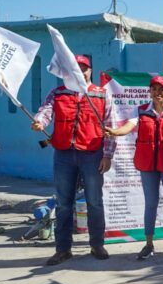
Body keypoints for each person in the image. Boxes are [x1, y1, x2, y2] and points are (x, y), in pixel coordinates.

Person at [31, 55, 116, 265]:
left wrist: (107, 155)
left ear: (90, 71)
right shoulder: (57, 93)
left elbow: (110, 126)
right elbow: (45, 112)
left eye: (84, 68)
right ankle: (63, 249)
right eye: (76, 67)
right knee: (63, 203)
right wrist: (39, 122)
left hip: (92, 154)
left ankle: (97, 244)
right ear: (68, 71)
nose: (80, 71)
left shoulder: (102, 94)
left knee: (94, 202)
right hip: (64, 155)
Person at [104, 76, 163, 259]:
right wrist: (114, 132)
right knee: (150, 203)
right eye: (154, 89)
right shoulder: (141, 111)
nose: (158, 93)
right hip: (148, 165)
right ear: (149, 92)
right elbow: (128, 126)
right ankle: (149, 244)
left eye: (162, 89)